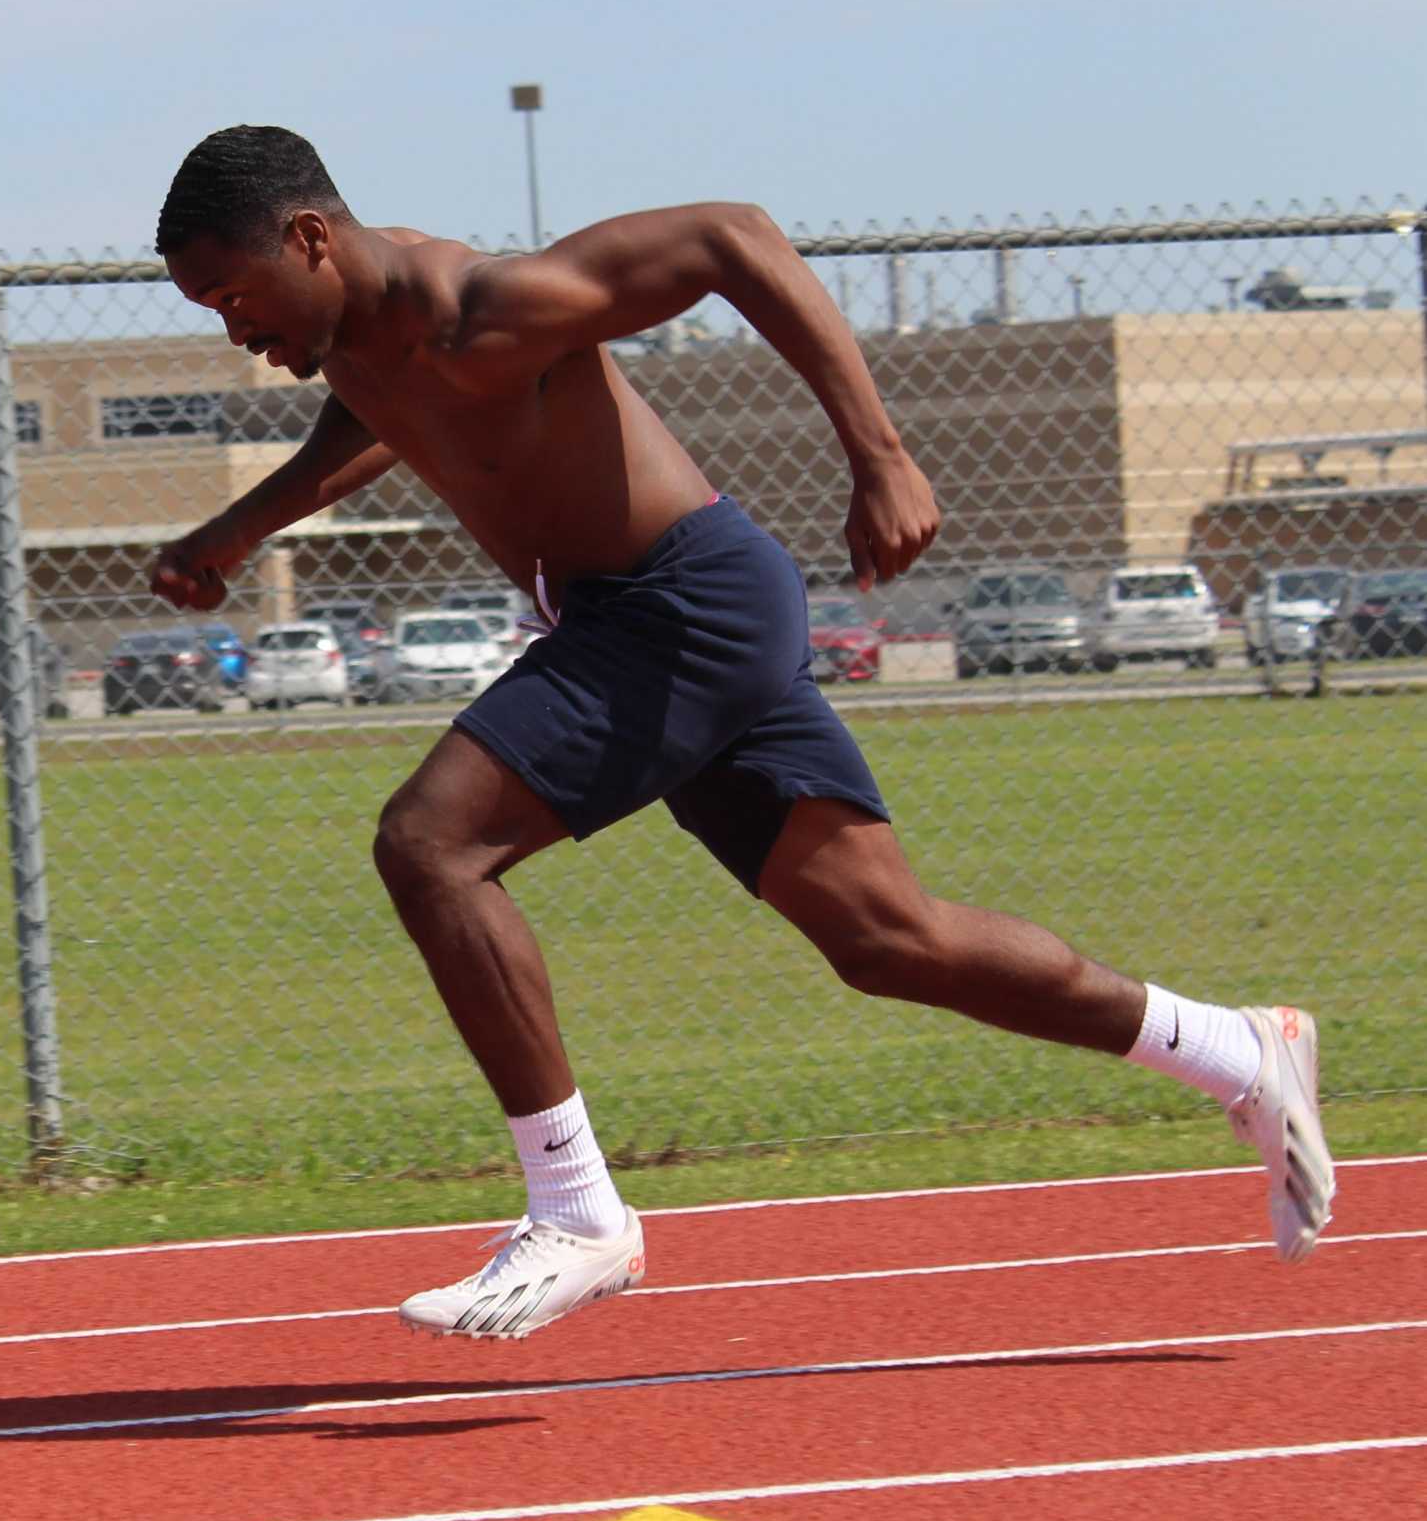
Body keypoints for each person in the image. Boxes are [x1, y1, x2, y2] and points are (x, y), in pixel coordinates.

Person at [149, 124, 1335, 1341]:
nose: (237, 331)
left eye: (236, 296)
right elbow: (381, 416)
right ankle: (1236, 1050)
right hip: (660, 615)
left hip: (680, 602)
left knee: (430, 846)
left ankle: (578, 1211)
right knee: (886, 937)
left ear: (308, 238)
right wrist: (239, 528)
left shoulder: (479, 305)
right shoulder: (355, 344)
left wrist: (876, 454)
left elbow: (733, 236)